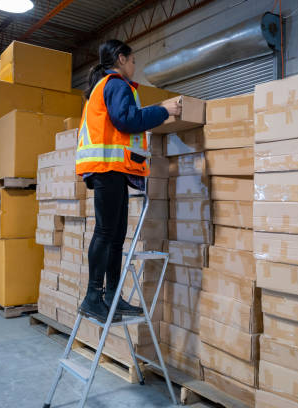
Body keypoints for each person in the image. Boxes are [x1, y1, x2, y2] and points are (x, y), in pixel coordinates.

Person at [75, 39, 181, 322]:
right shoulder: (115, 84)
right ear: (121, 59)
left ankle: (111, 296)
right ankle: (92, 297)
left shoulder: (107, 86)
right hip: (106, 169)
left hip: (112, 171)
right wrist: (164, 110)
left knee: (116, 235)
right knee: (106, 232)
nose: (135, 66)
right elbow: (126, 120)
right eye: (133, 60)